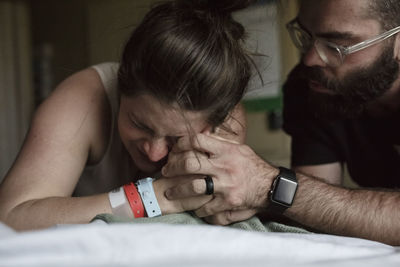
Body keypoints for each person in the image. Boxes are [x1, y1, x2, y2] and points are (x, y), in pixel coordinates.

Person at [0, 0, 256, 230]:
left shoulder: (228, 122)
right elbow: (10, 218)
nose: (154, 152)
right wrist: (151, 198)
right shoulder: (80, 101)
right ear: (120, 90)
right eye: (139, 124)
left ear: (212, 126)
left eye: (174, 138)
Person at [161, 0, 400, 246]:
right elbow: (315, 208)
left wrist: (267, 184)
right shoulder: (311, 88)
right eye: (305, 35)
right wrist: (244, 192)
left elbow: (296, 196)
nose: (309, 59)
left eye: (337, 45)